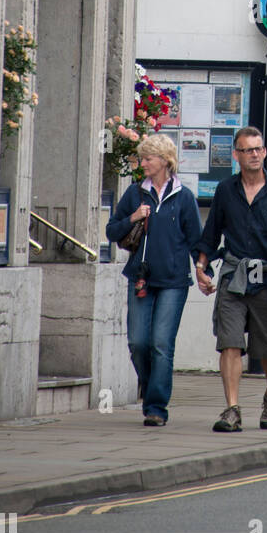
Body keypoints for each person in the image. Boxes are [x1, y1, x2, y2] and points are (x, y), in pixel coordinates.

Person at [196, 127, 267, 433]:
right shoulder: (226, 190)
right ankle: (232, 409)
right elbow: (212, 232)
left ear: (265, 152)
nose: (254, 154)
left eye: (259, 149)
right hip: (233, 275)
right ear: (237, 155)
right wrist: (202, 265)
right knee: (229, 342)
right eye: (248, 150)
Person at [105, 134, 202, 427]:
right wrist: (133, 217)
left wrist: (202, 269)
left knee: (161, 343)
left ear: (164, 161)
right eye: (142, 158)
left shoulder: (184, 196)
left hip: (173, 280)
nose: (143, 163)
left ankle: (156, 407)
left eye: (148, 158)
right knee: (137, 342)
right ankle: (151, 387)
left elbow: (196, 238)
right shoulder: (135, 194)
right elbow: (111, 231)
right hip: (141, 278)